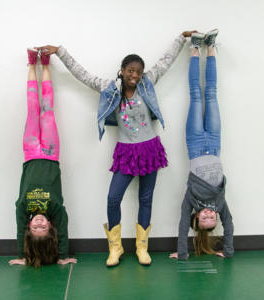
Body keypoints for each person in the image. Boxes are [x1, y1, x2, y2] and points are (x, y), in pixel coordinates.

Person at [38, 30, 196, 266]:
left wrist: (181, 39)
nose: (135, 75)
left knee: (146, 199)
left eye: (139, 72)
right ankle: (116, 248)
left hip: (150, 149)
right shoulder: (110, 88)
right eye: (131, 70)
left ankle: (142, 248)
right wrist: (61, 52)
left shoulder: (147, 83)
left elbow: (165, 62)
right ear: (122, 70)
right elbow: (84, 75)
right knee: (113, 199)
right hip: (126, 151)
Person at [8, 49, 77, 267]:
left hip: (30, 153)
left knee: (32, 108)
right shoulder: (56, 208)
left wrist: (22, 256)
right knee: (46, 109)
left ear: (29, 227)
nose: (38, 223)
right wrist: (62, 257)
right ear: (50, 225)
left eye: (34, 228)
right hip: (50, 152)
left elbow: (20, 230)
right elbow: (63, 230)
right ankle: (45, 64)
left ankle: (32, 64)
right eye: (43, 228)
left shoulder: (23, 208)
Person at [169, 29, 234, 260]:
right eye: (211, 219)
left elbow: (181, 223)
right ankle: (211, 47)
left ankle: (195, 47)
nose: (209, 215)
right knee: (212, 94)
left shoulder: (191, 200)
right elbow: (230, 224)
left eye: (203, 219)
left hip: (196, 143)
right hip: (215, 143)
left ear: (196, 218)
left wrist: (183, 253)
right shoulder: (220, 203)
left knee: (197, 94)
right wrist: (227, 251)